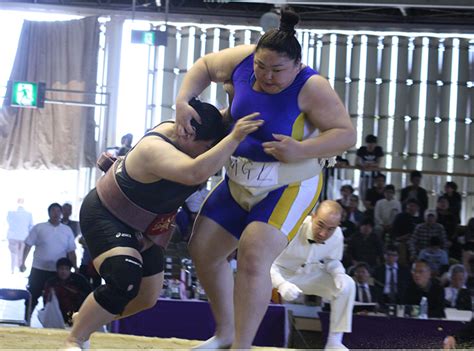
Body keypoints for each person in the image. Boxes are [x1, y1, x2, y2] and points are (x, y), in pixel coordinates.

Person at [174, 8, 356, 349]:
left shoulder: (312, 86)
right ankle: (225, 332)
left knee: (254, 257)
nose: (266, 76)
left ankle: (241, 347)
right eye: (261, 66)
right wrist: (183, 100)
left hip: (288, 184)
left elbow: (346, 135)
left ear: (297, 67)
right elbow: (204, 66)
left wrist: (302, 150)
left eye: (276, 70)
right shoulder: (242, 60)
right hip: (237, 178)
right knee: (202, 249)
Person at [64, 98, 263, 349]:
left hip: (149, 224)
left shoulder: (202, 125)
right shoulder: (154, 148)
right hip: (108, 214)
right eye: (206, 148)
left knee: (147, 297)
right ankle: (75, 339)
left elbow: (233, 95)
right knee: (125, 276)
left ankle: (87, 319)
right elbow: (195, 173)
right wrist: (233, 138)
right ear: (188, 135)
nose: (208, 153)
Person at [270, 200, 355, 350]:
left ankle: (334, 342)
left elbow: (332, 260)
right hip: (277, 272)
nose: (323, 233)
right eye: (320, 225)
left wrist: (338, 273)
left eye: (330, 229)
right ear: (313, 216)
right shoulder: (293, 227)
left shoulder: (337, 235)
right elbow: (267, 262)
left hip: (309, 274)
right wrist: (281, 284)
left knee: (347, 284)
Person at [21, 203, 77, 317]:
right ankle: (26, 320)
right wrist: (22, 262)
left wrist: (75, 268)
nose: (56, 213)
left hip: (57, 272)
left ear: (61, 213)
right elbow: (28, 245)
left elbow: (71, 252)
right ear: (49, 213)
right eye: (53, 211)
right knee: (33, 295)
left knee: (53, 299)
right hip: (38, 269)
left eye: (58, 211)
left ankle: (50, 324)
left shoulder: (67, 230)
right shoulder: (39, 227)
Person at [43, 257, 92, 326]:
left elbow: (89, 296)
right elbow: (46, 301)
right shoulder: (51, 282)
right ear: (57, 270)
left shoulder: (79, 280)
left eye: (66, 269)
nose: (63, 272)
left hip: (78, 312)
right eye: (61, 269)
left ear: (70, 270)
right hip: (58, 312)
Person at [6, 198, 33, 274]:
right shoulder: (28, 214)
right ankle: (20, 269)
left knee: (13, 254)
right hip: (24, 236)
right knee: (21, 254)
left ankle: (12, 269)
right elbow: (31, 226)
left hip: (12, 236)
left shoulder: (10, 213)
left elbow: (8, 222)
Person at [356, 134, 384, 202]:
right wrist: (363, 165)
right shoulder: (362, 149)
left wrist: (369, 165)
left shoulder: (378, 149)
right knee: (362, 191)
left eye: (373, 143)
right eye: (369, 143)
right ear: (366, 143)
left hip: (375, 176)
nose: (371, 145)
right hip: (364, 175)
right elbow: (356, 162)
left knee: (374, 192)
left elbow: (378, 163)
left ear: (375, 144)